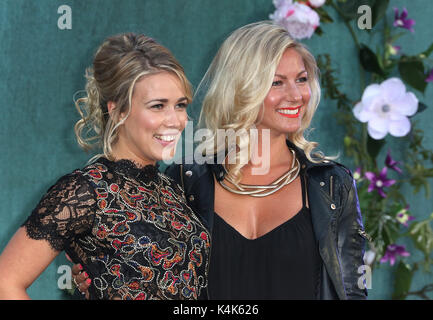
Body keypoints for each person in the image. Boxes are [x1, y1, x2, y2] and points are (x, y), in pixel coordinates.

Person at [72, 21, 368, 299]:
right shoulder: (185, 181)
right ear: (242, 89)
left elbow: (351, 291)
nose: (296, 95)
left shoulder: (331, 185)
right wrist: (101, 277)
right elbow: (148, 274)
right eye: (277, 83)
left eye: (301, 80)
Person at [0, 33, 211, 300]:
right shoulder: (84, 191)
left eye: (180, 105)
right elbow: (6, 281)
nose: (176, 120)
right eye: (158, 106)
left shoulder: (173, 188)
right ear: (118, 111)